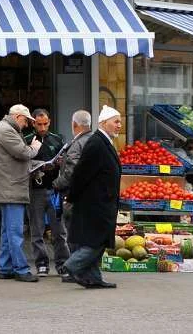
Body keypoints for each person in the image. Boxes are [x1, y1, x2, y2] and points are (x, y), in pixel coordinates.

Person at [62, 105, 122, 289]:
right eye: (116, 121)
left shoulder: (104, 142)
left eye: (120, 122)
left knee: (97, 239)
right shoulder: (96, 143)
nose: (120, 125)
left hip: (102, 200)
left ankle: (94, 277)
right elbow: (81, 173)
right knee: (98, 240)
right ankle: (72, 265)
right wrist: (71, 197)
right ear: (104, 123)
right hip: (96, 202)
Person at [0, 104, 42, 283]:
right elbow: (23, 152)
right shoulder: (6, 130)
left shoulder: (6, 128)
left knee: (7, 231)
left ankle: (5, 268)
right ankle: (21, 269)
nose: (27, 124)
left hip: (9, 187)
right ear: (18, 116)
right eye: (26, 120)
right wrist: (34, 148)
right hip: (11, 188)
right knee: (15, 231)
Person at [23, 108, 69, 277]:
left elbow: (66, 163)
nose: (42, 128)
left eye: (45, 124)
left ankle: (62, 263)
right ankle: (41, 263)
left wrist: (58, 163)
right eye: (38, 124)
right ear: (33, 123)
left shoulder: (58, 139)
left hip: (55, 189)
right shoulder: (27, 139)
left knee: (59, 230)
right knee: (37, 230)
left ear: (49, 122)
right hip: (35, 189)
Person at [52, 109, 92, 282]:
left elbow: (72, 172)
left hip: (74, 196)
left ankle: (75, 271)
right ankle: (85, 270)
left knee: (74, 235)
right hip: (88, 196)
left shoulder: (77, 144)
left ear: (74, 125)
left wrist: (57, 183)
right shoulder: (93, 140)